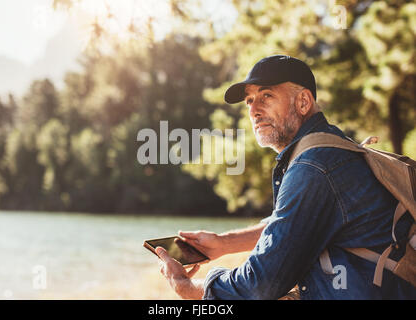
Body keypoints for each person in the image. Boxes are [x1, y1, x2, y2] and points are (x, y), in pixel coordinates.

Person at [155, 55, 416, 299]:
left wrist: (190, 288)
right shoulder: (330, 148)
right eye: (249, 101)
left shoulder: (314, 166)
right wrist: (224, 244)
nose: (254, 110)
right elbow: (293, 222)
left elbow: (261, 283)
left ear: (303, 102)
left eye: (266, 96)